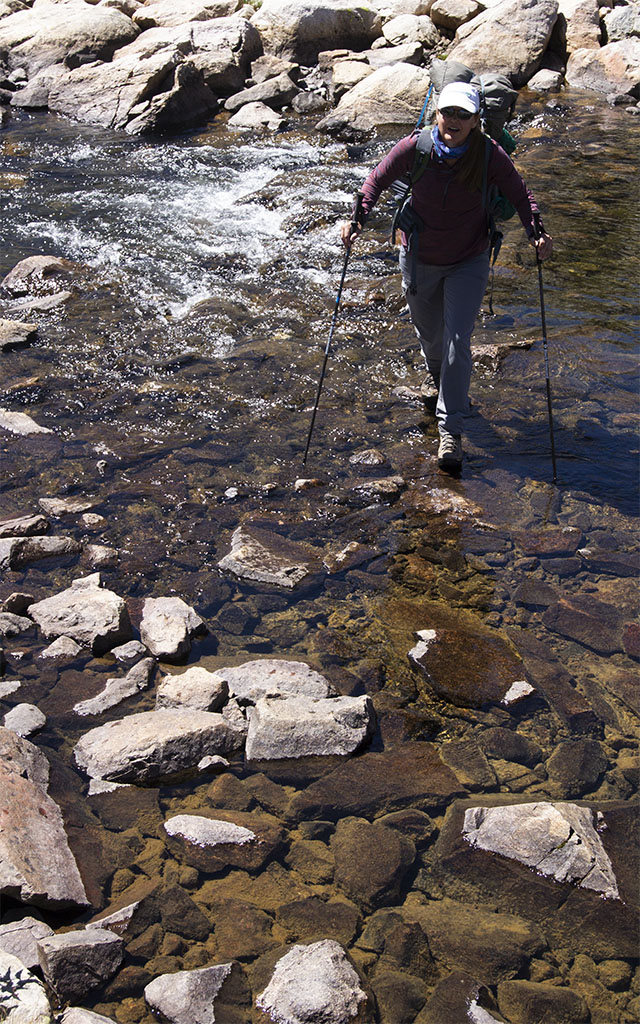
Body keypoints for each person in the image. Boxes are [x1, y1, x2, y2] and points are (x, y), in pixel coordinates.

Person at [341, 81, 553, 472]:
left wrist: (536, 231)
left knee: (458, 340)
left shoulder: (489, 155)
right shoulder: (415, 148)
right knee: (431, 339)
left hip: (468, 259)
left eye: (463, 115)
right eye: (448, 112)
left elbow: (521, 194)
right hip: (419, 254)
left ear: (475, 121)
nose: (454, 121)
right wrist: (357, 218)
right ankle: (441, 380)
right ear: (437, 113)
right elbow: (376, 180)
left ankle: (450, 431)